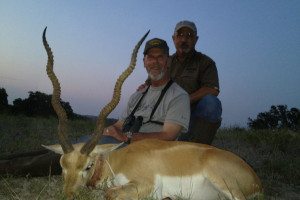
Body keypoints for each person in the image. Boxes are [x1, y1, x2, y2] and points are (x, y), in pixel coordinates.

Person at [101, 38, 190, 144]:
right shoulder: (136, 96)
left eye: (160, 57)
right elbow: (119, 126)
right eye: (150, 57)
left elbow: (169, 135)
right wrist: (105, 131)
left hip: (151, 153)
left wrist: (128, 137)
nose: (155, 62)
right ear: (144, 62)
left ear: (168, 61)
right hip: (124, 147)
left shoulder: (179, 96)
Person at [169, 20, 222, 144]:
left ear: (196, 39)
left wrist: (185, 100)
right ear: (173, 38)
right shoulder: (166, 61)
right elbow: (151, 83)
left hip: (192, 114)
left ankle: (199, 145)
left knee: (211, 103)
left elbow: (212, 89)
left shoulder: (206, 62)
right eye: (180, 35)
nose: (184, 40)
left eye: (189, 36)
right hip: (168, 114)